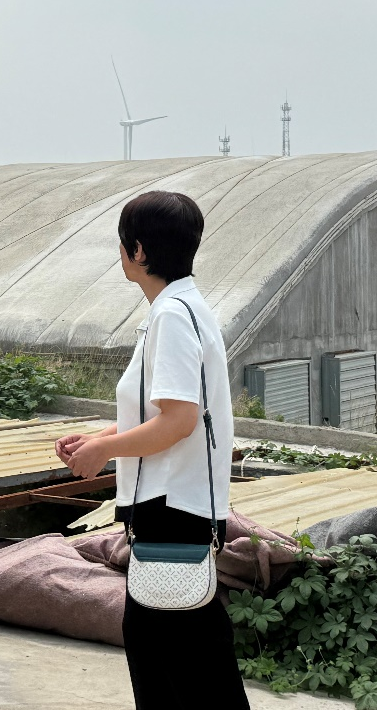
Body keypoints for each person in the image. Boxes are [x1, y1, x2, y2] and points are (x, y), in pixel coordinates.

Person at [54, 190, 248, 710]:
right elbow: (164, 413)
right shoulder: (179, 308)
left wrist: (104, 451)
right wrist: (101, 440)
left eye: (123, 243)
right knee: (178, 657)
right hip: (174, 505)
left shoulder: (173, 316)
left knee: (177, 663)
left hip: (172, 509)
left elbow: (179, 421)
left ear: (138, 251)